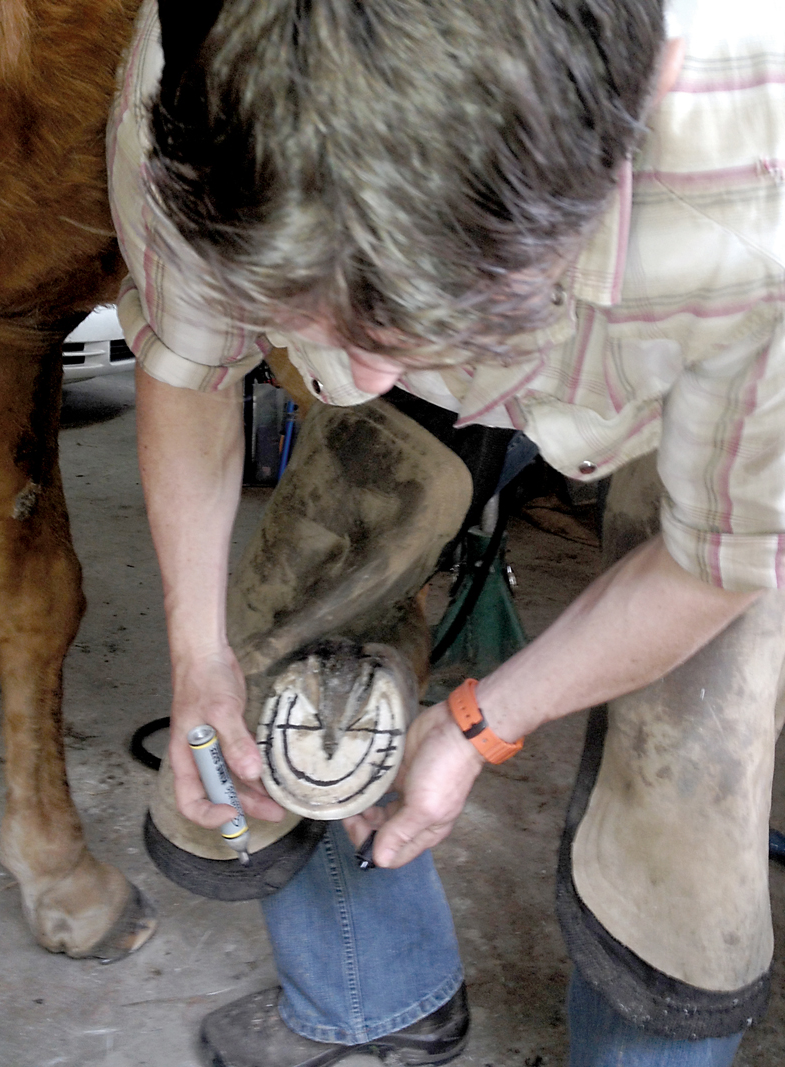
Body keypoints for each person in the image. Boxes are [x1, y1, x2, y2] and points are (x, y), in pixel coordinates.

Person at [108, 0, 785, 1064]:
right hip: (487, 281)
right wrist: (197, 656)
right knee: (292, 641)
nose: (357, 373)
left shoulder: (757, 148)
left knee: (689, 781)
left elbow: (719, 556)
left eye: (396, 326)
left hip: (689, 358)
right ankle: (373, 1001)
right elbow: (191, 365)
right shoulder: (195, 76)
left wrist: (481, 723)